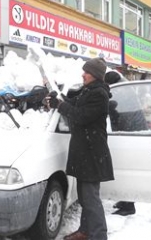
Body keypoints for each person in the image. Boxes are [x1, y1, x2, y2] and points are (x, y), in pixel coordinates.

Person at [48, 57, 114, 240]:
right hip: (85, 152)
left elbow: (80, 115)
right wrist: (58, 98)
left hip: (92, 154)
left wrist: (61, 106)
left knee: (91, 200)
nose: (83, 74)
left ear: (95, 75)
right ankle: (85, 232)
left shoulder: (99, 94)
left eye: (86, 72)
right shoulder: (89, 91)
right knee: (85, 198)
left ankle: (99, 236)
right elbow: (73, 102)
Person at [104, 71, 136, 217]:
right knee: (124, 170)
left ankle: (129, 206)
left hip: (130, 132)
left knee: (127, 170)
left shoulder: (123, 92)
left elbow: (117, 109)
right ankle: (125, 201)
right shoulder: (125, 89)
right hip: (127, 130)